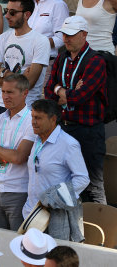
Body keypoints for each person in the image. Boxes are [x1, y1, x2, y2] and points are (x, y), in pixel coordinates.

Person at [44, 16, 108, 204]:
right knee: (65, 181)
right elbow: (49, 91)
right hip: (64, 128)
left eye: (71, 35)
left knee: (93, 185)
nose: (66, 39)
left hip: (88, 131)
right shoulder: (62, 57)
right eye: (64, 34)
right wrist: (63, 91)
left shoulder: (95, 61)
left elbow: (80, 97)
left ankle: (103, 228)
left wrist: (62, 91)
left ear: (84, 35)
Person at [23, 99, 89, 241]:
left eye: (38, 118)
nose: (33, 122)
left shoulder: (68, 144)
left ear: (53, 119)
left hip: (56, 218)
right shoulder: (37, 139)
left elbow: (83, 179)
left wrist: (56, 198)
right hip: (31, 214)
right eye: (32, 117)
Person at [0, 74, 35, 231]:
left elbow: (19, 157)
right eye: (3, 91)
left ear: (24, 93)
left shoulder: (31, 121)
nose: (5, 96)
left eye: (10, 92)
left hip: (19, 191)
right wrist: (7, 155)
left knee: (17, 242)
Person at [0, 0, 50, 127]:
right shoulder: (3, 38)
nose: (7, 16)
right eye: (6, 11)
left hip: (25, 106)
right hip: (0, 104)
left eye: (13, 12)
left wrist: (4, 72)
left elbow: (29, 84)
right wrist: (20, 78)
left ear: (26, 15)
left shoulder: (41, 41)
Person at [28, 0, 69, 82]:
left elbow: (61, 38)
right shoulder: (28, 3)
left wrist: (33, 43)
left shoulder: (58, 4)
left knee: (40, 94)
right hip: (23, 61)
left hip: (44, 63)